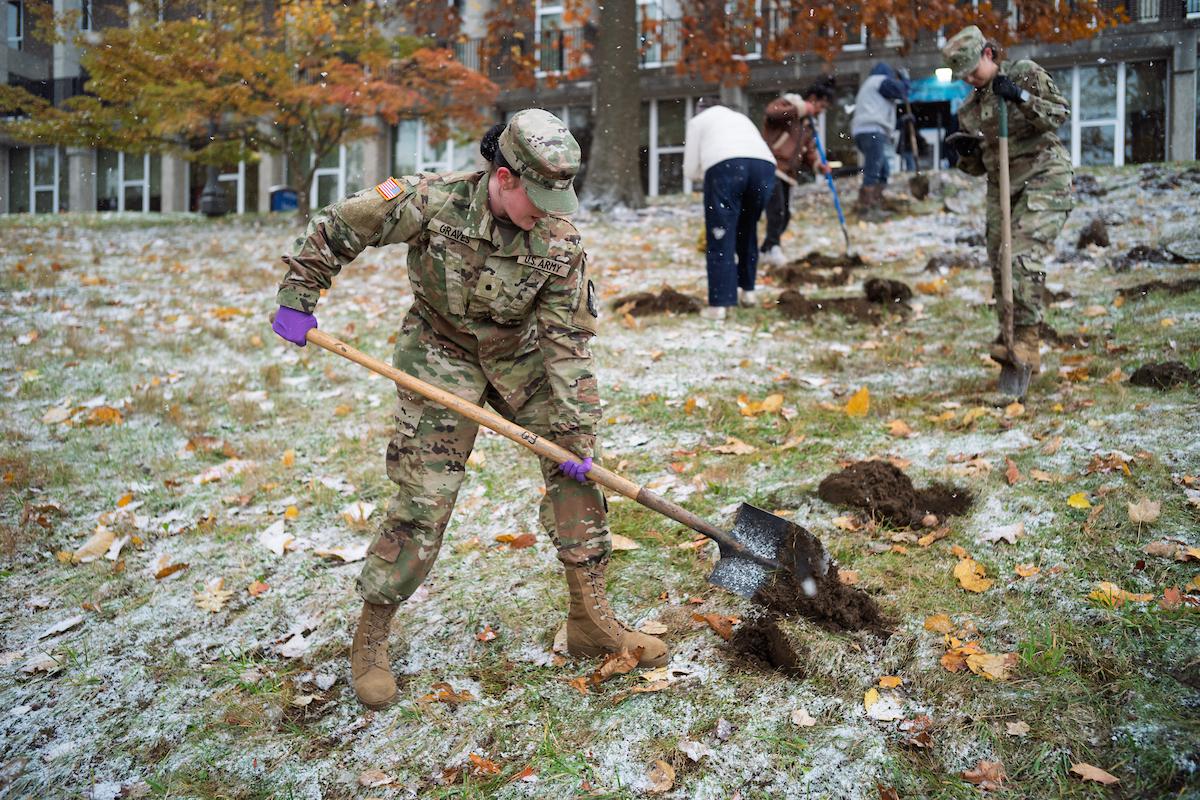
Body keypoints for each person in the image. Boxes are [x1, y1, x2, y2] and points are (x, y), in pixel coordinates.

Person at [270, 109, 668, 709]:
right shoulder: (432, 202)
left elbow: (567, 343)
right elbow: (339, 226)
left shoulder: (559, 239)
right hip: (440, 352)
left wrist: (577, 436)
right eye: (535, 195)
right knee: (423, 497)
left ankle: (590, 620)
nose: (548, 210)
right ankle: (372, 637)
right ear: (503, 177)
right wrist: (298, 296)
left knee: (576, 474)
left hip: (523, 357)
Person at [942, 26, 1073, 386]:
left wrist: (1019, 98)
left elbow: (1059, 114)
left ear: (988, 53)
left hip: (1044, 177)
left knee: (1021, 258)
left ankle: (1026, 341)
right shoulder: (970, 108)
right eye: (963, 75)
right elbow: (978, 165)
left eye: (973, 69)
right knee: (1000, 265)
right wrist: (964, 154)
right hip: (1002, 188)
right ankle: (1010, 339)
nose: (970, 79)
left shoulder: (1023, 73)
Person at [683, 98, 783, 320]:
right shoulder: (740, 118)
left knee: (720, 233)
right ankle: (747, 292)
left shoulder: (699, 121)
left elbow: (690, 170)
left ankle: (719, 305)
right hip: (764, 167)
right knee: (747, 230)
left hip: (726, 165)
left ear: (701, 110)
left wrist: (706, 174)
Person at [760, 81, 835, 267]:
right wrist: (801, 108)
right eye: (821, 107)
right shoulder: (787, 105)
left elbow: (809, 150)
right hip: (772, 165)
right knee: (776, 211)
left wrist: (819, 164)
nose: (820, 112)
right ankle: (773, 248)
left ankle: (765, 250)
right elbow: (771, 113)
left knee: (785, 216)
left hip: (789, 173)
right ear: (812, 100)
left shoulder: (807, 125)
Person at [850, 63, 910, 221]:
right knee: (873, 171)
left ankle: (874, 203)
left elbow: (879, 114)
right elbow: (902, 91)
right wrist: (905, 80)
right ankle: (865, 209)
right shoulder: (880, 81)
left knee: (882, 170)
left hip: (865, 131)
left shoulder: (870, 87)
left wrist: (902, 122)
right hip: (872, 132)